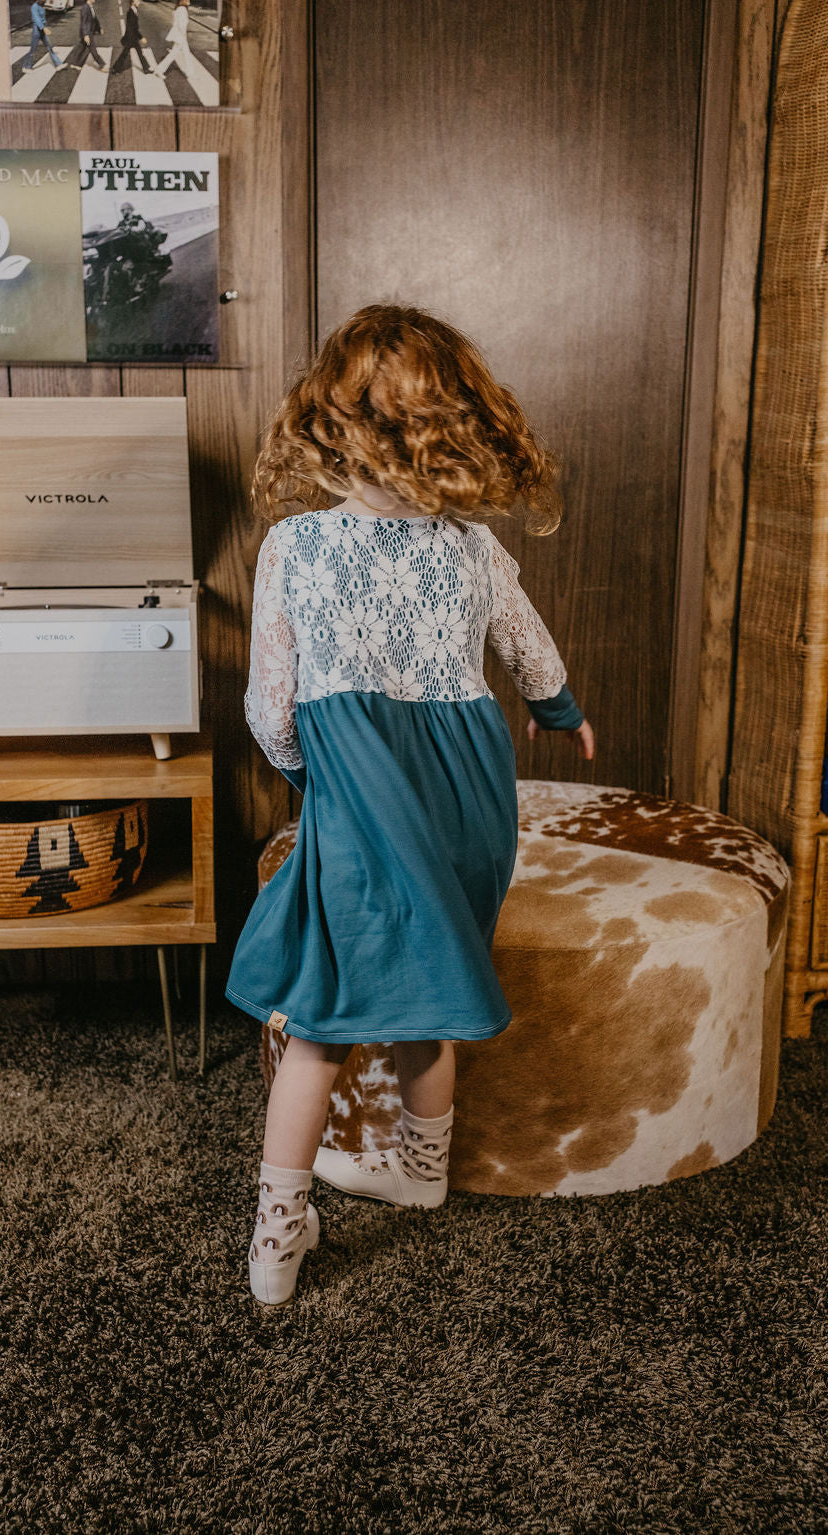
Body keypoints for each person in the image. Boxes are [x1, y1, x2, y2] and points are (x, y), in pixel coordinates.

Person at [229, 304, 595, 1307]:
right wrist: (565, 715)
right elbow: (530, 652)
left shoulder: (295, 546)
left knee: (316, 1017)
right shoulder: (472, 546)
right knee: (431, 989)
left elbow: (269, 708)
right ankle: (419, 1168)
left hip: (361, 800)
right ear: (454, 428)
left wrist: (312, 776)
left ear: (325, 424)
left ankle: (277, 1231)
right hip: (472, 798)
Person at [151, 0, 192, 79]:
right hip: (181, 35)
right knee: (173, 54)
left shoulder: (178, 9)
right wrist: (184, 34)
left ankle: (190, 73)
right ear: (182, 1)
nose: (188, 0)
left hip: (179, 34)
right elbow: (181, 25)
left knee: (186, 53)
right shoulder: (182, 9)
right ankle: (159, 70)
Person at [110, 0, 150, 75]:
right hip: (131, 38)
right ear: (133, 2)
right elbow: (132, 28)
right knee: (125, 54)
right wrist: (141, 37)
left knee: (140, 53)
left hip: (133, 38)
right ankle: (115, 68)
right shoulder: (131, 12)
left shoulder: (134, 11)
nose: (139, 2)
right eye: (138, 0)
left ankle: (146, 68)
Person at [21, 1, 63, 71]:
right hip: (37, 30)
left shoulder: (42, 5)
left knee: (49, 47)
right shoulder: (34, 7)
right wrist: (43, 28)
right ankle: (26, 67)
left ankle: (58, 65)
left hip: (42, 28)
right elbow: (37, 19)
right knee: (33, 50)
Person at [68, 0, 105, 71]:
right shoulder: (85, 8)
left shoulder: (90, 7)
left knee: (82, 47)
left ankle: (75, 63)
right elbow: (84, 22)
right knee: (92, 49)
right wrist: (85, 35)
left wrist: (99, 28)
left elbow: (94, 19)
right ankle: (102, 65)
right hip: (88, 32)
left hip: (90, 31)